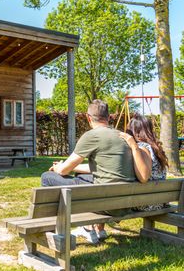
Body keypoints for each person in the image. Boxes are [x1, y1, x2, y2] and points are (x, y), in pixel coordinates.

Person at [41, 99, 150, 244]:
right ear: (109, 117)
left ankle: (47, 228)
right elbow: (104, 168)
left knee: (47, 177)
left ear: (88, 117)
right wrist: (73, 168)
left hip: (105, 205)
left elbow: (63, 170)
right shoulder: (124, 137)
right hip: (124, 204)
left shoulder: (92, 135)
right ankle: (93, 229)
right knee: (81, 175)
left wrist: (57, 167)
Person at [120, 114, 168, 211]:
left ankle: (95, 226)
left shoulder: (142, 148)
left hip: (147, 203)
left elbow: (143, 177)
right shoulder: (155, 148)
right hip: (160, 201)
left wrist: (133, 145)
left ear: (135, 132)